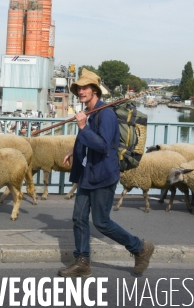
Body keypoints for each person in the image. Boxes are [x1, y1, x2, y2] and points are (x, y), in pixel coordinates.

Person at [58, 69, 154, 277]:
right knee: (79, 218)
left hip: (103, 175)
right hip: (88, 174)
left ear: (95, 91)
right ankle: (82, 261)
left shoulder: (106, 114)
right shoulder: (91, 113)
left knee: (101, 222)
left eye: (85, 88)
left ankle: (140, 248)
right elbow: (89, 138)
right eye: (79, 89)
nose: (81, 92)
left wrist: (82, 127)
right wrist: (74, 150)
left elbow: (103, 146)